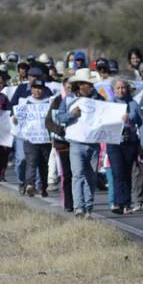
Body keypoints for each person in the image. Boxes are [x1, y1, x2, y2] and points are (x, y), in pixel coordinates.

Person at [57, 68, 103, 218]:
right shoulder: (68, 100)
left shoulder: (98, 99)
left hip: (93, 143)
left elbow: (107, 115)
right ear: (79, 85)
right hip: (76, 143)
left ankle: (88, 207)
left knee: (91, 176)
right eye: (86, 84)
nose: (89, 87)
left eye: (90, 84)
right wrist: (71, 115)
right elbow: (59, 118)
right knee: (77, 175)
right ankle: (78, 207)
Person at [107, 79, 143, 215]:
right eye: (118, 88)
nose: (121, 91)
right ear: (113, 90)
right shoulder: (109, 104)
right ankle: (118, 203)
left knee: (127, 173)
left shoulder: (133, 104)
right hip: (115, 142)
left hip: (130, 141)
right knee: (118, 173)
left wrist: (142, 144)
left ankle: (127, 204)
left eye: (123, 88)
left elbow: (141, 123)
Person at [19, 79, 54, 198]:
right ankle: (30, 184)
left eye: (40, 88)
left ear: (44, 89)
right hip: (30, 139)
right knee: (31, 162)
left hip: (45, 139)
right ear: (31, 89)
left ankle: (43, 187)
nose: (37, 91)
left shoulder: (49, 102)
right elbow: (19, 117)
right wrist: (15, 118)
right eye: (35, 88)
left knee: (44, 165)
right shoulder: (25, 102)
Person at [45, 79, 75, 212]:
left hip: (77, 142)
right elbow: (48, 121)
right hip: (62, 143)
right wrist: (59, 130)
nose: (70, 90)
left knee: (77, 174)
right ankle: (68, 202)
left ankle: (79, 201)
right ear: (63, 87)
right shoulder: (57, 101)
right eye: (68, 87)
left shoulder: (79, 100)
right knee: (67, 174)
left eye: (72, 88)